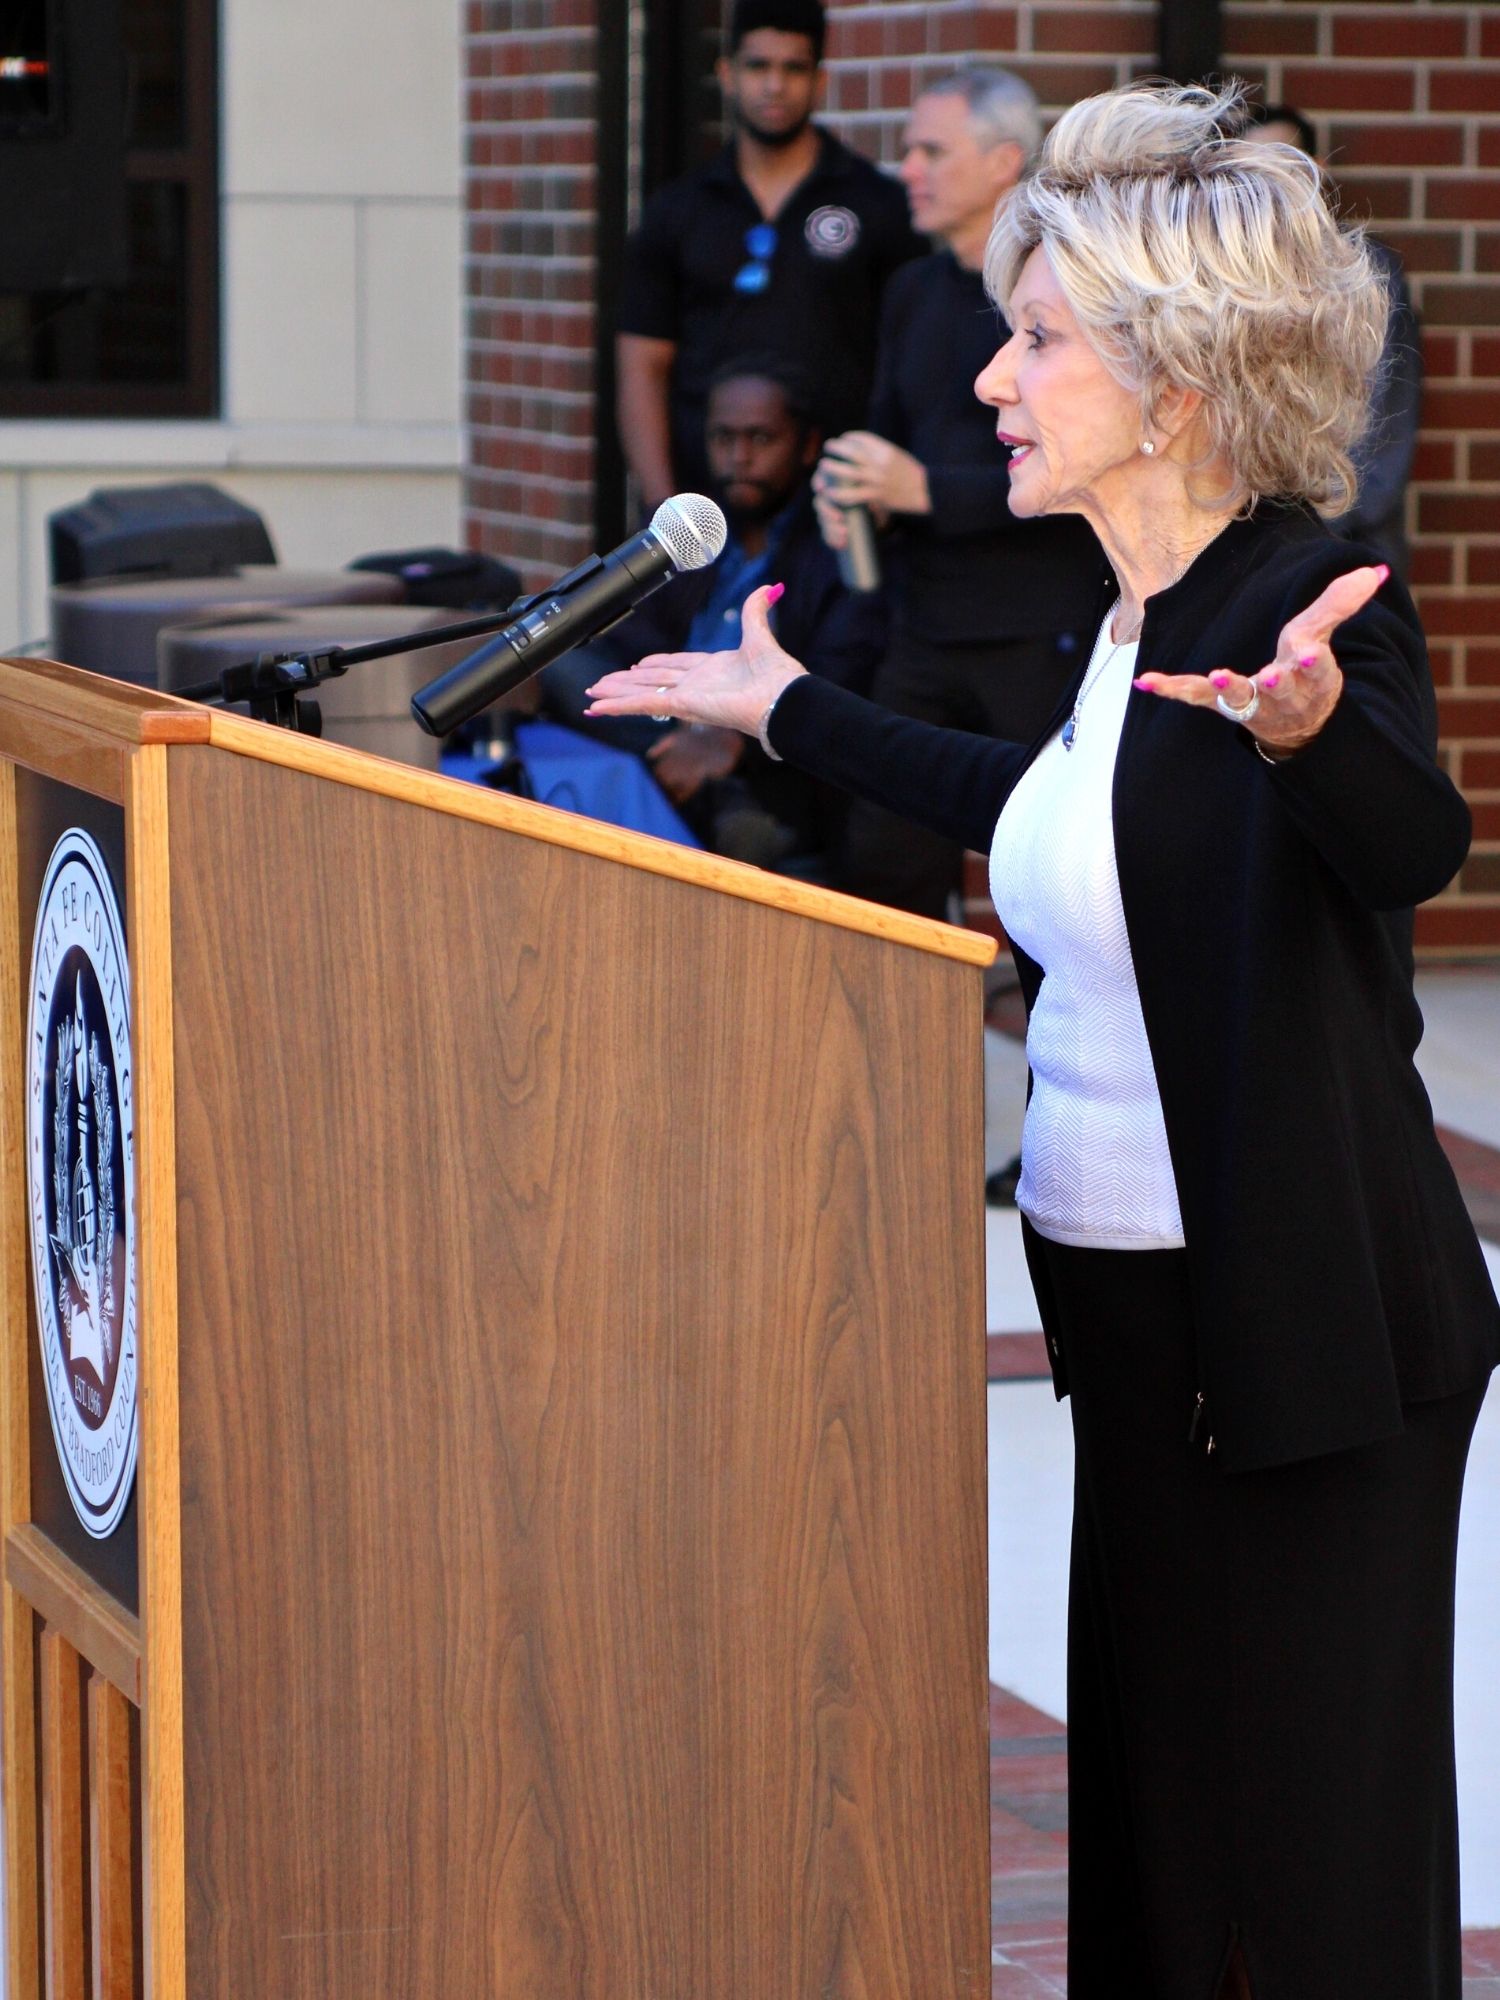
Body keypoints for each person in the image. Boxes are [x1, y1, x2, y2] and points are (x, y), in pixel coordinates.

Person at [586, 80, 1500, 2000]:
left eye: (1037, 341)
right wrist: (788, 708)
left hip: (1313, 1347)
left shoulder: (1299, 602)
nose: (992, 382)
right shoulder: (1130, 616)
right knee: (1162, 1858)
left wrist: (1308, 730)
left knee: (1317, 1881)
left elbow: (1412, 839)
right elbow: (1056, 808)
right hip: (1150, 1339)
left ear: (1169, 384)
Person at [813, 68, 1100, 921]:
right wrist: (854, 494)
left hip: (1037, 632)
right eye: (906, 150)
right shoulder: (911, 290)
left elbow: (1077, 468)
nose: (908, 169)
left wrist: (922, 488)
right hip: (923, 624)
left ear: (1003, 161)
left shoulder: (1057, 300)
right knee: (886, 865)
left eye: (931, 150)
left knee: (1048, 873)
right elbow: (886, 436)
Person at [541, 356, 884, 869]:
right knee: (558, 655)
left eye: (760, 439)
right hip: (666, 720)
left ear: (807, 446)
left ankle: (725, 799)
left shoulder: (832, 551)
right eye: (723, 439)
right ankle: (715, 800)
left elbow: (840, 680)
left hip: (767, 757)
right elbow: (632, 644)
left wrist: (730, 740)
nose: (738, 457)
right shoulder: (696, 539)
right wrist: (687, 734)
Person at [614, 0, 924, 513]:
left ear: (819, 81)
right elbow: (643, 365)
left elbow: (908, 363)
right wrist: (662, 505)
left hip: (838, 510)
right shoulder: (679, 210)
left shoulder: (878, 204)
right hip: (708, 509)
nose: (774, 85)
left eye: (793, 68)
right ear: (727, 74)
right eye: (758, 66)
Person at [1247, 100, 1423, 580]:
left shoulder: (1368, 272)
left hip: (1351, 549)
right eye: (1250, 167)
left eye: (1283, 162)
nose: (1268, 180)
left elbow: (1386, 427)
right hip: (1248, 554)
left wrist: (1306, 528)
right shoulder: (1228, 280)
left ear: (1318, 170)